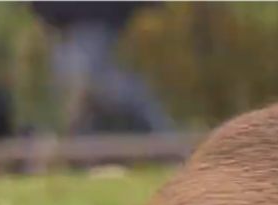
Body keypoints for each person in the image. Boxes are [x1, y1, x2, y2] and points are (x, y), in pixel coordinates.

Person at [29, 1, 175, 135]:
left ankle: (167, 141)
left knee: (96, 95)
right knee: (87, 95)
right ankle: (166, 139)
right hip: (75, 34)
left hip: (95, 34)